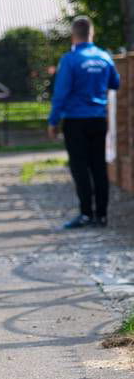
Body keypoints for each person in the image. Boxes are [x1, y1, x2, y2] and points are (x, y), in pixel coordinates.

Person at [48, 15, 121, 229]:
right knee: (99, 165)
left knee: (80, 167)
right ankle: (102, 215)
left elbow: (60, 94)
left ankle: (86, 213)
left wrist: (53, 121)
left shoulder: (69, 60)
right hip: (99, 119)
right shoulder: (104, 57)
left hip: (75, 121)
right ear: (92, 33)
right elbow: (115, 83)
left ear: (73, 35)